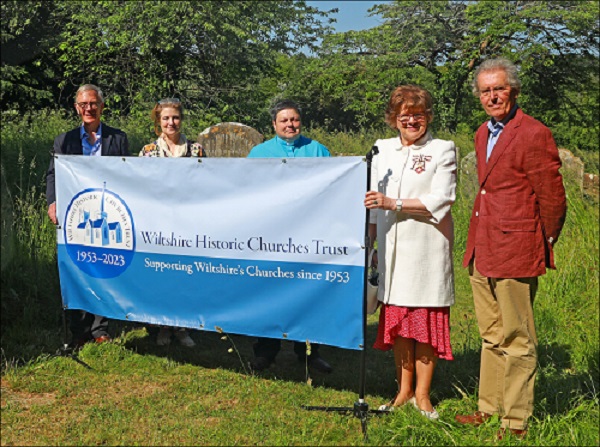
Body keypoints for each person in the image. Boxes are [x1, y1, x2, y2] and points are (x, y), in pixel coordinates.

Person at [456, 58, 567, 440]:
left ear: (513, 91)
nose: (492, 96)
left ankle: (515, 419)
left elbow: (553, 200)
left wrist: (540, 242)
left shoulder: (534, 133)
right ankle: (489, 408)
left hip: (517, 249)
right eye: (485, 91)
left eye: (499, 89)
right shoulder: (481, 133)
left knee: (517, 338)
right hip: (482, 248)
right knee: (490, 334)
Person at [364, 85, 457, 420]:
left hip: (426, 250)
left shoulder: (442, 149)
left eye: (418, 115)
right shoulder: (381, 150)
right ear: (394, 119)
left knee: (424, 324)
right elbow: (374, 201)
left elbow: (441, 200)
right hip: (391, 248)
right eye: (405, 115)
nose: (412, 121)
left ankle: (423, 395)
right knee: (400, 324)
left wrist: (395, 203)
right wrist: (371, 240)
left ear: (427, 116)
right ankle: (403, 391)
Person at [246, 99, 332, 373]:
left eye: (294, 120)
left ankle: (309, 352)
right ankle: (265, 351)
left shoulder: (317, 150)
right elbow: (246, 191)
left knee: (309, 293)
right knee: (269, 292)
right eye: (284, 120)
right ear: (273, 124)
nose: (290, 125)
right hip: (271, 234)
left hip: (309, 234)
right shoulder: (259, 153)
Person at [46, 84, 130, 348]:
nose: (89, 109)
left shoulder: (118, 139)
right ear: (76, 108)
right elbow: (53, 174)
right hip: (76, 214)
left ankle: (100, 328)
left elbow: (128, 175)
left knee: (103, 267)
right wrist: (52, 202)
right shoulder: (64, 140)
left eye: (93, 103)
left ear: (102, 106)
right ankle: (78, 329)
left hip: (107, 213)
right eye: (83, 104)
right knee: (77, 267)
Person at [139, 98, 206, 347]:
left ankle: (183, 328)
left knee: (186, 276)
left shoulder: (197, 150)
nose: (171, 122)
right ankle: (163, 327)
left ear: (181, 119)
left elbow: (207, 185)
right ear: (158, 121)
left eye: (175, 117)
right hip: (159, 224)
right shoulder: (147, 152)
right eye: (165, 118)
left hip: (189, 224)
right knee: (162, 276)